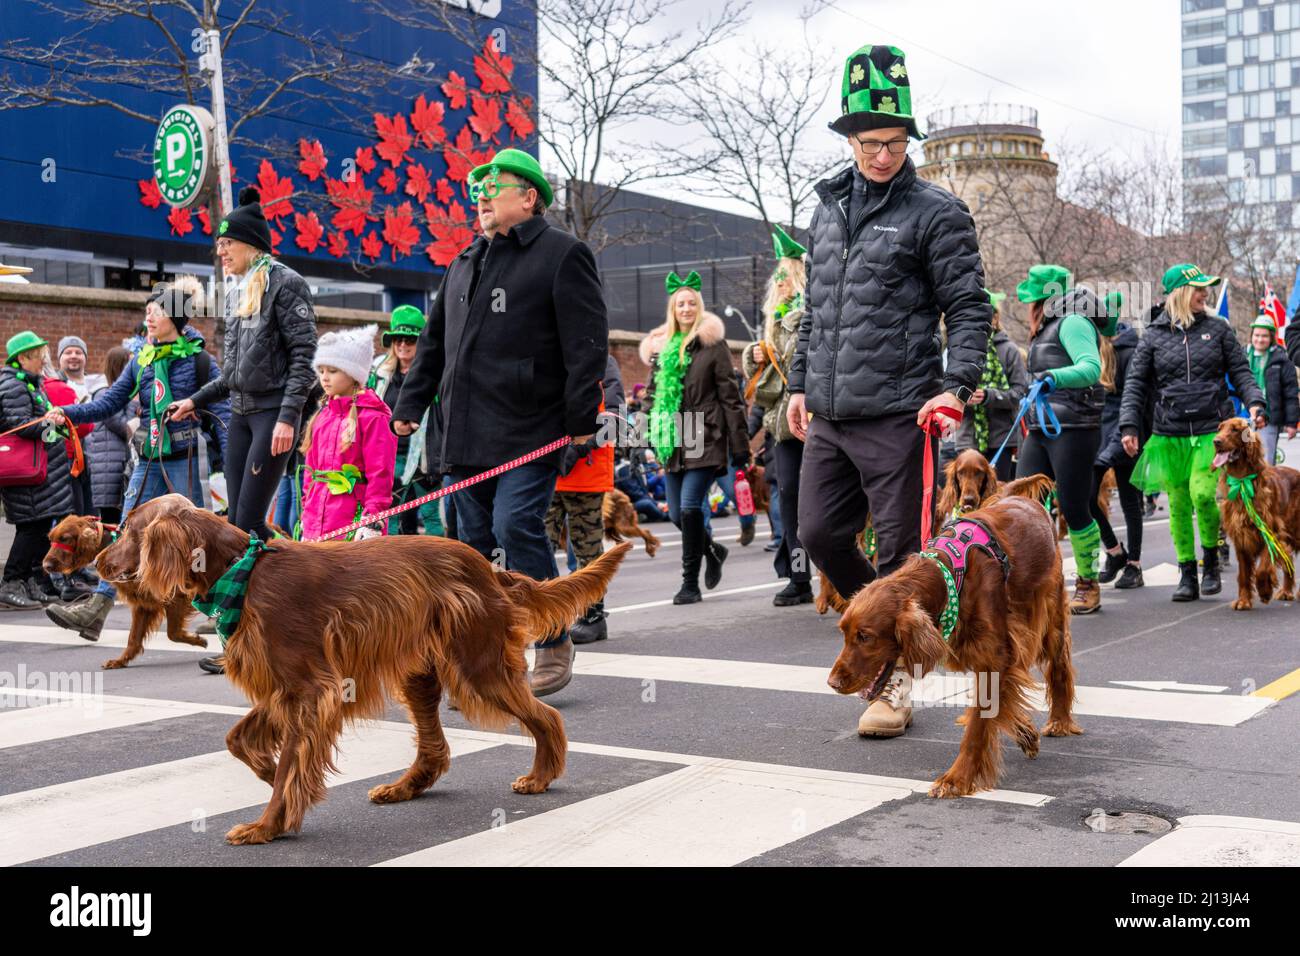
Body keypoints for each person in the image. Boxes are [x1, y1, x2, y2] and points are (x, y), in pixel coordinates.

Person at [787, 44, 990, 739]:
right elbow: (817, 310)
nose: (883, 155)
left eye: (897, 142)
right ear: (849, 137)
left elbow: (969, 306)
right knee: (818, 533)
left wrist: (955, 386)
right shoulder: (826, 211)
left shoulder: (937, 211)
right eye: (872, 142)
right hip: (832, 412)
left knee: (906, 557)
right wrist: (798, 383)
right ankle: (894, 626)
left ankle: (898, 686)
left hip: (903, 413)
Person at [390, 147, 608, 697]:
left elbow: (586, 343)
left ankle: (555, 636)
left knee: (516, 526)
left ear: (529, 196)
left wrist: (582, 420)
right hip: (464, 435)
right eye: (477, 189)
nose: (481, 197)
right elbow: (434, 344)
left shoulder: (562, 254)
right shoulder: (462, 262)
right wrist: (409, 407)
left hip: (530, 429)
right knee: (472, 547)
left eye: (494, 186)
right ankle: (487, 658)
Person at [169, 188, 317, 673]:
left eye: (227, 243)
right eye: (218, 244)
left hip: (273, 416)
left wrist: (290, 417)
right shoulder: (238, 292)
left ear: (251, 243)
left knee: (249, 522)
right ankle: (254, 630)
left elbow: (303, 357)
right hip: (240, 414)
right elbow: (232, 373)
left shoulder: (285, 283)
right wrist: (194, 399)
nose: (220, 251)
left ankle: (270, 626)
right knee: (238, 525)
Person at [43, 279, 230, 640]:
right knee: (128, 532)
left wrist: (234, 469)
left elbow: (223, 412)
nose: (148, 318)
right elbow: (109, 403)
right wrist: (65, 412)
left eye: (155, 311)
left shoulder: (201, 362)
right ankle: (96, 609)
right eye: (146, 312)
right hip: (147, 460)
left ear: (175, 317)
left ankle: (221, 611)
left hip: (185, 459)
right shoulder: (141, 362)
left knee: (197, 541)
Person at [1120, 264, 1266, 602]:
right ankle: (1188, 573)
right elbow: (1136, 384)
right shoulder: (1153, 336)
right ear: (1180, 294)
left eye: (1206, 288)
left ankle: (1211, 559)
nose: (1205, 294)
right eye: (1199, 288)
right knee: (1179, 504)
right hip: (1168, 434)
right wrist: (1129, 425)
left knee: (1202, 494)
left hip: (1211, 431)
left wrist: (1255, 401)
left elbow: (1241, 371)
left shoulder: (1218, 329)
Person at [640, 270, 750, 605]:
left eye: (691, 303)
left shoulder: (713, 346)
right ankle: (713, 550)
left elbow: (731, 397)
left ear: (699, 307)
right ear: (672, 310)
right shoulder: (663, 348)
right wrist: (646, 430)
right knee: (675, 513)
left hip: (705, 435)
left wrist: (740, 447)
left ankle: (690, 583)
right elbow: (651, 395)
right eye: (680, 304)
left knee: (690, 508)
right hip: (673, 439)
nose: (686, 309)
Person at [1013, 266, 1111, 614]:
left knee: (1073, 507)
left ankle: (1087, 582)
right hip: (1041, 428)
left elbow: (1089, 368)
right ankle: (1031, 582)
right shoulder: (1044, 330)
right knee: (1021, 504)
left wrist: (1053, 376)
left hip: (1074, 428)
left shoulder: (1072, 322)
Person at [743, 225, 813, 605]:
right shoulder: (774, 320)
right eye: (779, 277)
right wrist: (752, 353)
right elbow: (767, 374)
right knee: (788, 497)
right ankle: (799, 576)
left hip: (816, 420)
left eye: (788, 276)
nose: (781, 283)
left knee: (820, 502)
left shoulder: (808, 316)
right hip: (781, 427)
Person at [546, 355, 625, 644]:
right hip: (545, 471)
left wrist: (577, 450)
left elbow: (615, 420)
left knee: (586, 548)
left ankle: (593, 616)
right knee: (538, 544)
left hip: (586, 475)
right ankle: (547, 614)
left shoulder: (604, 362)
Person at [298, 325, 396, 542]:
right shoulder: (322, 417)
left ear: (353, 375)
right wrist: (307, 511)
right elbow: (311, 473)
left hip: (353, 520)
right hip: (317, 521)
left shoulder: (374, 418)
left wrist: (374, 517)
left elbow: (380, 471)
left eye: (332, 371)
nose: (324, 378)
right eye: (321, 371)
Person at [0, 331, 75, 610]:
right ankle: (10, 583)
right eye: (39, 355)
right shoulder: (14, 386)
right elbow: (20, 425)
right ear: (22, 358)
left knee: (40, 525)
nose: (44, 360)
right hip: (26, 474)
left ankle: (32, 581)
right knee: (30, 529)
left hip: (41, 473)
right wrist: (52, 423)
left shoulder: (32, 384)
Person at [1092, 293, 1150, 590]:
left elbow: (1133, 399)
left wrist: (1124, 438)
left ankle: (1134, 565)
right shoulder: (1093, 347)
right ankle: (1115, 552)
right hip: (1099, 431)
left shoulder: (1132, 350)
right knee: (1087, 496)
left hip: (1128, 430)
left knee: (1130, 499)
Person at [372, 305, 443, 537]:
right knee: (390, 513)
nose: (403, 344)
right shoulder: (379, 373)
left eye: (409, 340)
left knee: (431, 514)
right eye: (398, 339)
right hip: (388, 455)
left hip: (424, 456)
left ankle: (440, 569)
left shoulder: (435, 375)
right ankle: (393, 567)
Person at [954, 289, 1030, 481]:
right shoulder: (960, 350)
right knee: (967, 498)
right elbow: (946, 388)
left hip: (1001, 439)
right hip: (967, 438)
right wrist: (962, 396)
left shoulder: (1009, 351)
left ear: (995, 317)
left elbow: (1020, 393)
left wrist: (989, 396)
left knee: (997, 496)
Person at [83, 346, 135, 526]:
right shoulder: (105, 395)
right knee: (112, 523)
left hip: (116, 465)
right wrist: (135, 405)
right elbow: (123, 426)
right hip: (109, 469)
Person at [1245, 315, 1299, 468]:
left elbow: (1290, 393)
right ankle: (1245, 492)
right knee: (1243, 459)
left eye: (1264, 336)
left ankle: (1266, 491)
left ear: (1271, 337)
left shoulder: (1282, 359)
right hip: (1243, 419)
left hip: (1269, 420)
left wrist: (1291, 423)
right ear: (1251, 335)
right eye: (1257, 335)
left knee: (1266, 460)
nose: (1260, 339)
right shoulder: (1242, 355)